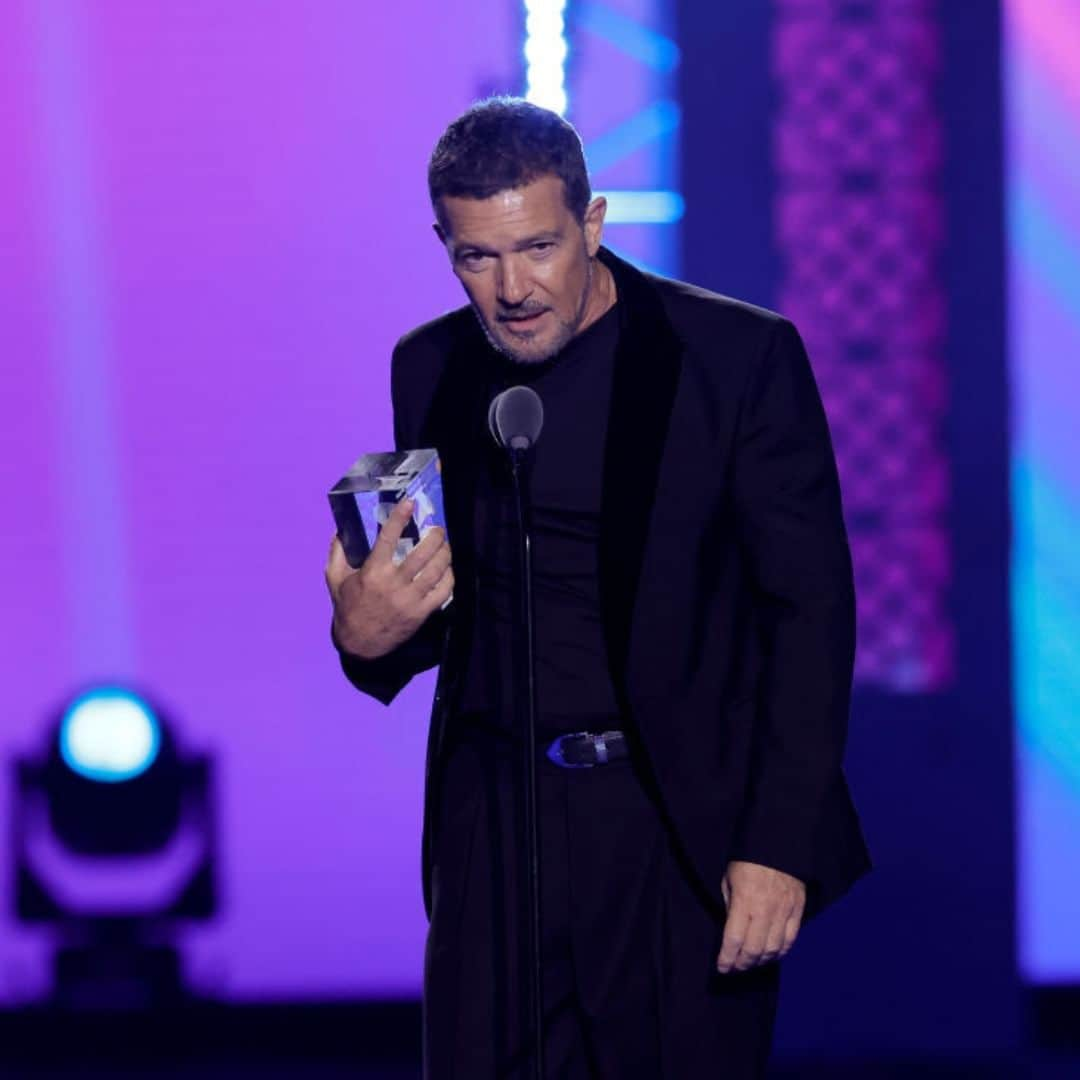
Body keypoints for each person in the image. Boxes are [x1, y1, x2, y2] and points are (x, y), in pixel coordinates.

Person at [325, 98, 870, 1078]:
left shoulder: (734, 359)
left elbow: (811, 615)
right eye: (477, 258)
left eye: (537, 247)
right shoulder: (433, 366)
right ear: (446, 245)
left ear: (594, 222)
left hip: (672, 827)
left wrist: (777, 842)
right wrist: (365, 635)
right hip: (494, 826)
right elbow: (438, 603)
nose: (513, 288)